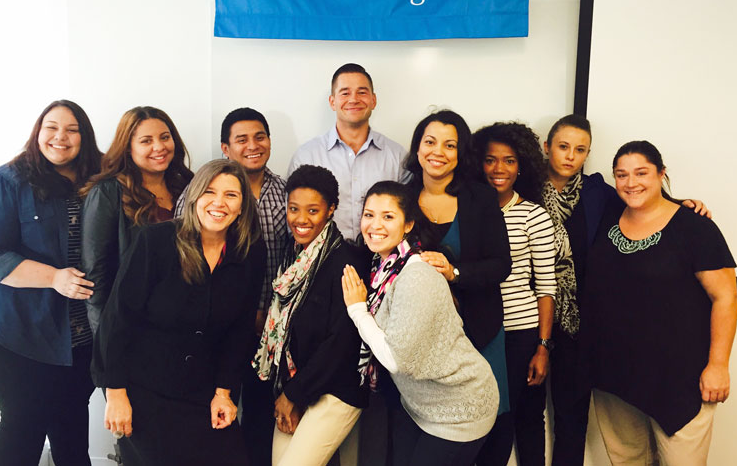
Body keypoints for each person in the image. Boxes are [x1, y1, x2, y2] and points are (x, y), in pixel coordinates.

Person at [541, 114, 710, 465]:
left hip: (581, 328)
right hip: (531, 321)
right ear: (547, 147)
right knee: (526, 417)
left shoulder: (600, 194)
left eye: (580, 149)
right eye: (563, 147)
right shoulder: (524, 189)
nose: (571, 156)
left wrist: (683, 204)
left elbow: (645, 204)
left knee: (571, 421)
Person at [92, 159, 266, 466]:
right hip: (146, 391)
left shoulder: (250, 252)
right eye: (210, 192)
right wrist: (116, 394)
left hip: (206, 393)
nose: (219, 203)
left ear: (242, 207)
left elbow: (239, 331)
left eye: (231, 195)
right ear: (195, 197)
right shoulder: (155, 241)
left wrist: (224, 392)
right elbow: (117, 320)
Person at [584, 141, 737, 465]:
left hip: (678, 379)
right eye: (621, 175)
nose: (631, 182)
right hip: (615, 374)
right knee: (626, 460)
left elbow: (725, 296)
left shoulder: (695, 227)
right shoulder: (608, 214)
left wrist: (718, 366)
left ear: (661, 174)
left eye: (641, 173)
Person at [0, 100, 102, 465]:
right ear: (37, 133)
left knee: (71, 421)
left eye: (72, 129)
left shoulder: (101, 180)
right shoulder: (7, 181)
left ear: (84, 136)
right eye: (51, 127)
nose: (60, 137)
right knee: (24, 420)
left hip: (80, 335)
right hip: (14, 330)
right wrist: (53, 278)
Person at [342, 181, 498, 466]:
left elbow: (397, 359)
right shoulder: (383, 266)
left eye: (388, 216)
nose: (375, 225)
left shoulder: (415, 275)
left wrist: (357, 310)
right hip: (420, 405)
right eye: (369, 215)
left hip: (460, 408)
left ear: (408, 224)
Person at [174, 107, 288, 466]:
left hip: (270, 328)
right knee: (209, 412)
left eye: (260, 137)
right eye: (241, 139)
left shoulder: (284, 191)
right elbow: (182, 255)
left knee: (257, 414)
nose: (252, 146)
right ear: (226, 147)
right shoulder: (202, 193)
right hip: (214, 324)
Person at [403, 109, 512, 463]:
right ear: (418, 149)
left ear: (460, 153)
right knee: (438, 435)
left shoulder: (480, 197)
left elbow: (501, 264)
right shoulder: (401, 198)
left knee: (490, 432)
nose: (439, 151)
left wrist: (455, 273)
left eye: (450, 145)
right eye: (430, 142)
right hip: (424, 346)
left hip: (479, 333)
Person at [252, 165, 369, 466]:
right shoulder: (291, 257)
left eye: (313, 210)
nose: (301, 219)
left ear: (331, 210)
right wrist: (290, 392)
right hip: (295, 384)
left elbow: (340, 344)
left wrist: (294, 395)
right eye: (294, 209)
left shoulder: (346, 262)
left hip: (335, 390)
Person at [472, 122, 556, 466]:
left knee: (525, 417)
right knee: (482, 420)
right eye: (491, 160)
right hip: (476, 332)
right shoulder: (468, 211)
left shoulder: (533, 215)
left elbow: (546, 287)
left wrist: (542, 346)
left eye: (508, 161)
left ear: (521, 166)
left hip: (520, 335)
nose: (498, 169)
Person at [81, 106, 192, 332]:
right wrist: (105, 340)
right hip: (133, 324)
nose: (159, 147)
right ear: (128, 148)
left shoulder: (188, 187)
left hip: (186, 320)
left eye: (165, 137)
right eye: (146, 141)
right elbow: (95, 275)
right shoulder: (108, 193)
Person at [287, 63, 408, 240]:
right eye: (345, 93)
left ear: (373, 100)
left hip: (383, 260)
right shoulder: (306, 156)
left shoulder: (397, 156)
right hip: (324, 260)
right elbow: (294, 221)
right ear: (332, 102)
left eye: (362, 92)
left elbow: (407, 215)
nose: (353, 99)